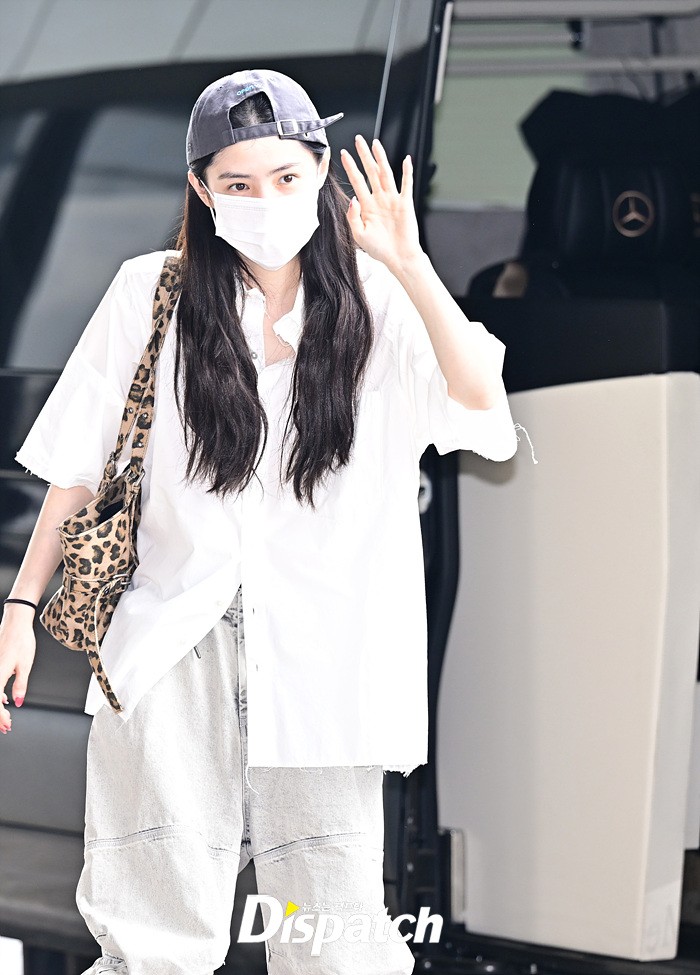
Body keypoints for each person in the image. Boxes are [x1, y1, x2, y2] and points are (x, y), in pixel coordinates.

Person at [0, 69, 519, 975]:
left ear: (319, 170)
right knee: (153, 942)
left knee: (333, 941)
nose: (265, 200)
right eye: (237, 183)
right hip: (172, 646)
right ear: (202, 190)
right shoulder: (150, 293)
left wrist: (409, 261)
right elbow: (78, 471)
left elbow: (483, 409)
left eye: (285, 176)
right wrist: (18, 608)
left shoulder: (377, 299)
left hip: (326, 658)